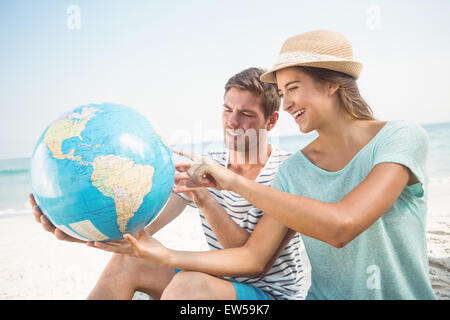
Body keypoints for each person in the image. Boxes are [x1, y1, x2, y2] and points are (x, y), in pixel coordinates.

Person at [90, 30, 437, 300]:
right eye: (282, 93)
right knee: (142, 269)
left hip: (274, 295)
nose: (287, 104)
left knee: (189, 290)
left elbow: (342, 226)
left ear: (332, 83)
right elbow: (253, 257)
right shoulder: (296, 171)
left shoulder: (400, 138)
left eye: (293, 88)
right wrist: (90, 231)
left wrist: (228, 185)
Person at [30, 67, 307, 300]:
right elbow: (141, 228)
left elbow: (248, 262)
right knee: (129, 261)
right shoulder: (211, 160)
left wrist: (205, 200)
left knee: (189, 286)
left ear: (271, 121)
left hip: (269, 296)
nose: (232, 122)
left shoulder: (285, 172)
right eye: (227, 109)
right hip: (222, 284)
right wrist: (80, 232)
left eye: (246, 114)